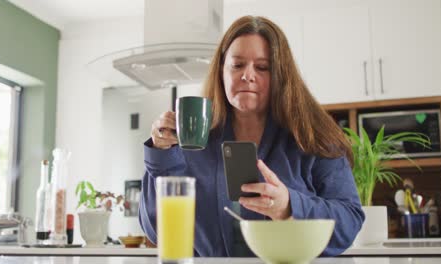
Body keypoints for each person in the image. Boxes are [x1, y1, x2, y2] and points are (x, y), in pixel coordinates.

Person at [139, 15, 365, 257]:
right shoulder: (192, 140)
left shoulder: (313, 136)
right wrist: (161, 155)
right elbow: (158, 232)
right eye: (237, 65)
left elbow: (349, 221)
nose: (247, 75)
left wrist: (289, 207)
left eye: (262, 67)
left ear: (281, 75)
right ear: (221, 72)